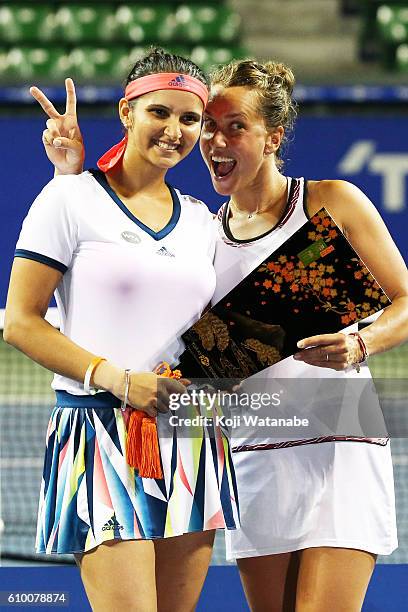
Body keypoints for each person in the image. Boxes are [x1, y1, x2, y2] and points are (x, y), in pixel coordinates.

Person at [32, 57, 408, 611]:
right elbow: (114, 279)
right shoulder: (201, 232)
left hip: (339, 445)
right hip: (250, 451)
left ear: (273, 136)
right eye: (209, 124)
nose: (214, 139)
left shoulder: (331, 201)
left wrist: (361, 342)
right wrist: (67, 178)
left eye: (236, 127)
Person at [4, 48, 239, 612]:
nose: (175, 130)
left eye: (190, 119)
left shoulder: (204, 221)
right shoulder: (69, 199)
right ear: (127, 112)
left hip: (191, 434)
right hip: (99, 433)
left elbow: (214, 332)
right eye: (159, 112)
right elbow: (19, 322)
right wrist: (115, 378)